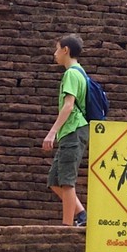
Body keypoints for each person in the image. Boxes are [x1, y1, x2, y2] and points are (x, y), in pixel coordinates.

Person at [42, 32, 92, 228]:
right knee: (55, 180)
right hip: (72, 131)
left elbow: (69, 105)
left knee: (66, 181)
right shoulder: (81, 72)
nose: (54, 54)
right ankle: (82, 215)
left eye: (57, 49)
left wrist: (52, 132)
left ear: (66, 50)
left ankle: (67, 225)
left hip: (73, 130)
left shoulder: (71, 73)